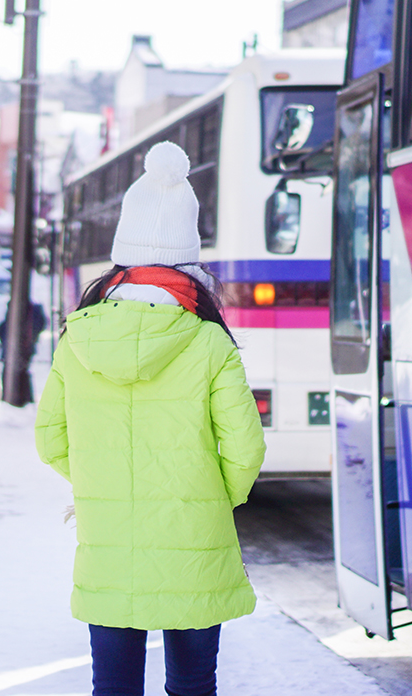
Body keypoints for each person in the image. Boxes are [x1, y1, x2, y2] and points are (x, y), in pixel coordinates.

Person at [35, 141, 266, 696]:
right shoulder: (209, 341)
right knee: (192, 686)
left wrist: (99, 483)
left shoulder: (78, 337)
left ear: (123, 256)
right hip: (196, 543)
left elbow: (50, 438)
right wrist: (210, 497)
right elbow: (246, 448)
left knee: (112, 688)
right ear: (189, 257)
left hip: (108, 547)